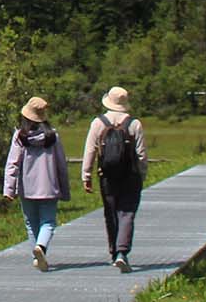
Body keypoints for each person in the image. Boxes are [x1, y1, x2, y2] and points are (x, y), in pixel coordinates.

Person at [80, 86, 147, 273]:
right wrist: (142, 174)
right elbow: (141, 154)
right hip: (130, 176)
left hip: (107, 175)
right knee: (127, 213)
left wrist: (86, 176)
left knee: (110, 213)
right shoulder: (135, 124)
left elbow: (90, 151)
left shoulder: (98, 123)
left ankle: (113, 251)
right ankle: (122, 252)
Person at [2, 96, 69, 272]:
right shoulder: (52, 136)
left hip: (27, 188)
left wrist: (9, 189)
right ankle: (41, 247)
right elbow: (61, 164)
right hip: (49, 187)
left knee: (31, 223)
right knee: (48, 222)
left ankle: (36, 255)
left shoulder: (20, 137)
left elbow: (13, 163)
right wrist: (65, 189)